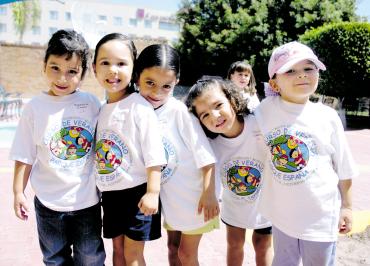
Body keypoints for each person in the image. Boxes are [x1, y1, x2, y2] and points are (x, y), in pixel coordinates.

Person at [254, 41, 358, 266]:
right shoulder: (265, 110)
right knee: (283, 261)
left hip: (321, 216)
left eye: (308, 68)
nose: (301, 75)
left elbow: (344, 166)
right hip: (283, 216)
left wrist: (347, 207)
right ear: (275, 83)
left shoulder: (327, 116)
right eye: (290, 70)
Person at [10, 29, 105, 265]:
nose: (62, 78)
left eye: (71, 71)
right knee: (54, 259)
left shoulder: (91, 104)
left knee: (90, 259)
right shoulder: (34, 108)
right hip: (48, 204)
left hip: (87, 203)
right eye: (55, 68)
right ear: (44, 65)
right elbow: (24, 154)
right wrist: (18, 192)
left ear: (83, 74)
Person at [134, 44, 220, 266]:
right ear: (137, 76)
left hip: (195, 199)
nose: (156, 92)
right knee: (173, 250)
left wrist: (209, 194)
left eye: (166, 86)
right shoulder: (137, 109)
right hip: (172, 202)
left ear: (176, 82)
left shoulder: (178, 112)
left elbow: (206, 156)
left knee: (185, 254)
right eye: (150, 83)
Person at [92, 34, 166, 266]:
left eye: (121, 63)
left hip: (138, 193)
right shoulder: (101, 110)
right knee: (118, 250)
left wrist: (153, 192)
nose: (113, 70)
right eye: (105, 63)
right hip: (111, 194)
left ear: (134, 69)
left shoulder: (139, 107)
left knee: (133, 255)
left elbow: (154, 153)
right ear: (94, 68)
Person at [185, 78, 273, 266]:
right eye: (204, 115)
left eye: (218, 105)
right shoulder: (211, 144)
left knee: (262, 244)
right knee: (234, 244)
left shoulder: (259, 123)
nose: (214, 116)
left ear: (231, 99)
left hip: (266, 203)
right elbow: (207, 169)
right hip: (235, 205)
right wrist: (209, 195)